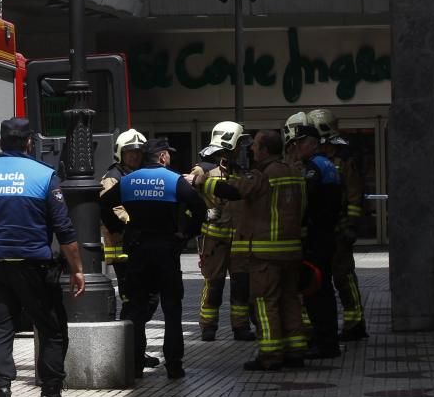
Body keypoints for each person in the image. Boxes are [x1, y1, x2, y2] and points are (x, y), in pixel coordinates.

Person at [0, 117, 85, 397]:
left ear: (1, 142)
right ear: (29, 142)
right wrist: (78, 270)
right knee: (52, 329)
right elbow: (64, 230)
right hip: (35, 268)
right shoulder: (44, 177)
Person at [191, 130, 307, 370]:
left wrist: (203, 183)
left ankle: (270, 355)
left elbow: (235, 191)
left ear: (264, 149)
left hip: (266, 254)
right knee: (290, 300)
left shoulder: (262, 174)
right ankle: (296, 350)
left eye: (254, 145)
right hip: (292, 251)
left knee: (265, 304)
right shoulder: (294, 173)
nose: (251, 149)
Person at [99, 137, 207, 380]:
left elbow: (104, 204)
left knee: (137, 309)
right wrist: (186, 234)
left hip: (137, 251)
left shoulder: (128, 181)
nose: (170, 157)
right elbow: (199, 208)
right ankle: (174, 365)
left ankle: (136, 364)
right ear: (161, 157)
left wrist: (118, 228)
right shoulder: (173, 180)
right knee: (171, 309)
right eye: (168, 153)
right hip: (166, 250)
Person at [99, 129, 160, 368]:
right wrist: (136, 220)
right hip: (123, 252)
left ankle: (135, 351)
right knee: (134, 303)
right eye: (130, 152)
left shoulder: (142, 174)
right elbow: (113, 209)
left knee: (148, 301)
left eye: (138, 152)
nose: (134, 156)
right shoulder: (113, 177)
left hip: (141, 247)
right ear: (120, 154)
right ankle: (129, 354)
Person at [285, 111, 343, 359]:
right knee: (323, 289)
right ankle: (326, 341)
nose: (297, 148)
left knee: (317, 291)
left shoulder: (314, 168)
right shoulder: (327, 164)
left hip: (317, 237)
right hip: (326, 235)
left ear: (311, 144)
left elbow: (305, 203)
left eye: (300, 144)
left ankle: (325, 342)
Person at [308, 108, 369, 342]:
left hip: (339, 229)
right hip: (321, 230)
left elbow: (354, 196)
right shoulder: (313, 160)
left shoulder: (343, 161)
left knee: (343, 277)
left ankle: (355, 323)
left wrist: (351, 225)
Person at [191, 122, 256, 343]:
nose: (241, 149)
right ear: (229, 144)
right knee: (214, 283)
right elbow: (188, 197)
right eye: (238, 144)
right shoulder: (203, 169)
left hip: (238, 239)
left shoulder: (239, 171)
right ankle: (208, 327)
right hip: (214, 239)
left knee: (241, 284)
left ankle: (241, 327)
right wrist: (203, 213)